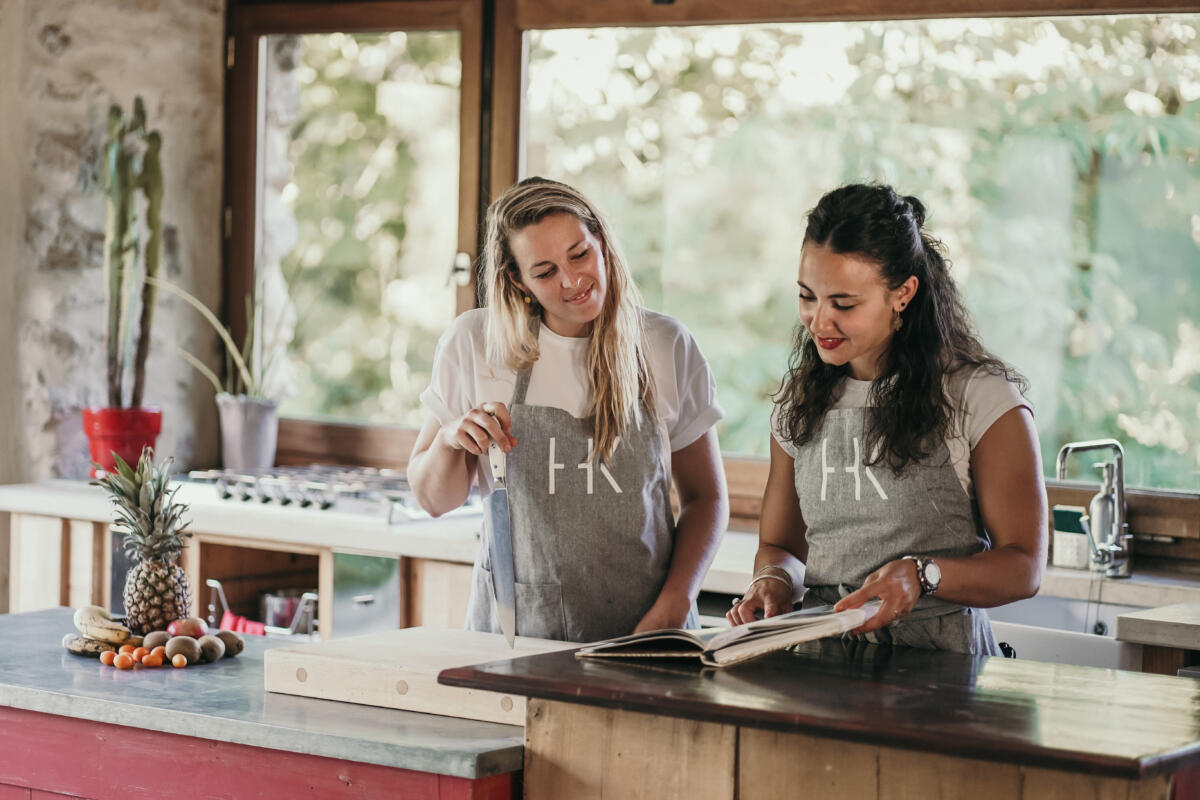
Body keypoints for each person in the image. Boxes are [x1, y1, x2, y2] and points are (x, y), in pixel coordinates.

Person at [728, 183, 1047, 655]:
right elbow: (782, 546)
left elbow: (1024, 567)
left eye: (844, 304)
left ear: (902, 294)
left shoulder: (979, 399)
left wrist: (924, 575)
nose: (818, 321)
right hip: (820, 669)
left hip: (941, 673)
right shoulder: (799, 401)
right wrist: (772, 581)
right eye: (807, 296)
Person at [408, 177, 729, 643]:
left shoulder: (665, 346)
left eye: (579, 254)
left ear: (600, 239)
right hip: (516, 638)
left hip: (648, 636)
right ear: (517, 280)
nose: (572, 280)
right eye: (545, 271)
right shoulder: (475, 344)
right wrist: (449, 439)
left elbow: (707, 499)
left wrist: (675, 604)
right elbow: (434, 500)